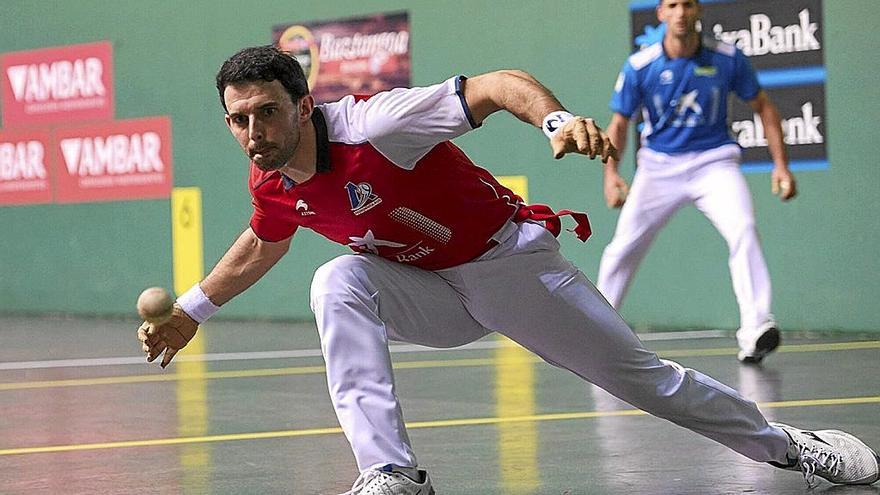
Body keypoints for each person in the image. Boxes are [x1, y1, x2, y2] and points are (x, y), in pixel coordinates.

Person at [137, 44, 878, 494]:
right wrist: (191, 312)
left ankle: (788, 446)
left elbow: (494, 86)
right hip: (434, 292)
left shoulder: (379, 125)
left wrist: (553, 119)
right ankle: (391, 471)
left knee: (643, 380)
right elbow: (263, 241)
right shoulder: (269, 180)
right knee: (336, 280)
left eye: (266, 112)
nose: (253, 132)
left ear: (303, 103)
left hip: (507, 265)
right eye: (238, 119)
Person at [596, 0, 797, 364]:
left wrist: (780, 166)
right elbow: (620, 124)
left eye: (687, 4)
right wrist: (611, 175)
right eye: (672, 5)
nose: (680, 12)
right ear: (661, 13)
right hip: (658, 167)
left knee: (744, 229)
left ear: (698, 10)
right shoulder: (641, 65)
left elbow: (765, 108)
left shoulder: (727, 58)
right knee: (622, 247)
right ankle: (594, 334)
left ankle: (755, 328)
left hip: (714, 163)